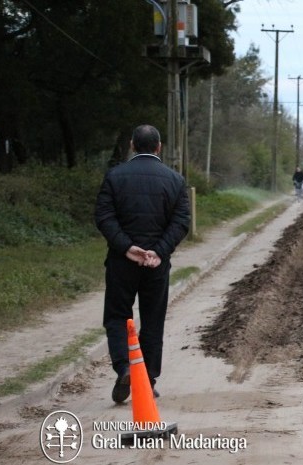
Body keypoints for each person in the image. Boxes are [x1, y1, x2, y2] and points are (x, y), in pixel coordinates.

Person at [94, 124, 191, 403]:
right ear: (158, 147)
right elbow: (181, 221)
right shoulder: (174, 180)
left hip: (121, 262)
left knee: (117, 316)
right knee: (152, 320)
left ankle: (125, 367)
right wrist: (158, 251)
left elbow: (104, 216)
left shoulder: (114, 177)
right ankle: (147, 378)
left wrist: (126, 247)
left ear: (132, 145)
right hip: (156, 265)